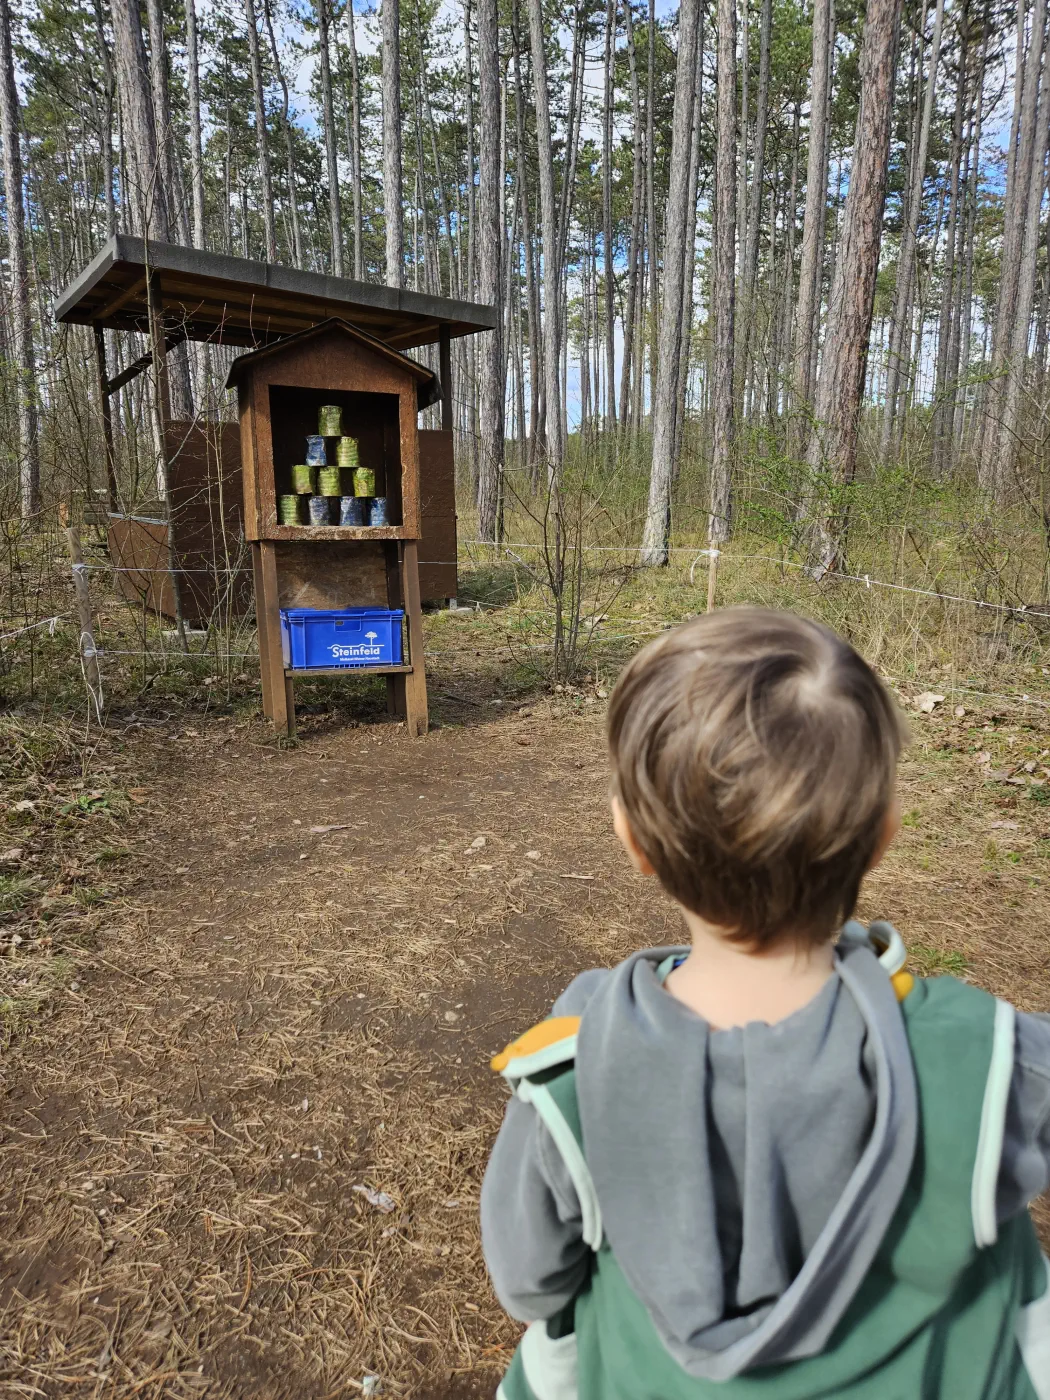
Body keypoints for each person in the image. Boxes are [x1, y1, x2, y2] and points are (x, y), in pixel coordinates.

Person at [480, 607, 1050, 1400]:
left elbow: (530, 1284)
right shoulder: (987, 1057)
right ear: (884, 835)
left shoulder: (571, 1074)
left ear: (632, 843)